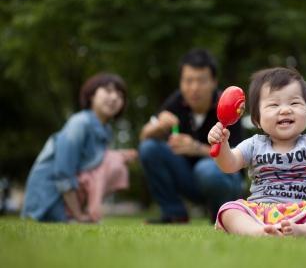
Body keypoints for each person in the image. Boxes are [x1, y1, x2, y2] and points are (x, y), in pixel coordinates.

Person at [208, 67, 306, 237]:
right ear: (256, 119)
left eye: (294, 103)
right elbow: (229, 165)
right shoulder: (254, 144)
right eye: (274, 104)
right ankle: (257, 232)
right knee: (229, 209)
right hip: (260, 211)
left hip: (305, 211)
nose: (285, 110)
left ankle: (303, 231)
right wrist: (222, 145)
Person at [139, 48, 244, 224]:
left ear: (213, 82)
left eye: (201, 81)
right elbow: (143, 136)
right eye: (188, 81)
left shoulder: (228, 105)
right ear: (181, 83)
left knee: (206, 169)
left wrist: (196, 148)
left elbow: (239, 159)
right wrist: (158, 124)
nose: (194, 88)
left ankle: (224, 215)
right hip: (191, 179)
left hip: (224, 179)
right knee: (149, 148)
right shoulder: (177, 101)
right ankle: (174, 213)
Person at [22, 73, 137, 223]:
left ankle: (79, 212)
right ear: (91, 95)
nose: (115, 98)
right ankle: (73, 214)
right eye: (108, 91)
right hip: (47, 202)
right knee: (114, 161)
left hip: (64, 197)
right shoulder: (79, 123)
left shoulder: (105, 130)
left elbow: (92, 163)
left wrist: (119, 155)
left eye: (120, 95)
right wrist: (79, 217)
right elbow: (63, 173)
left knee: (116, 160)